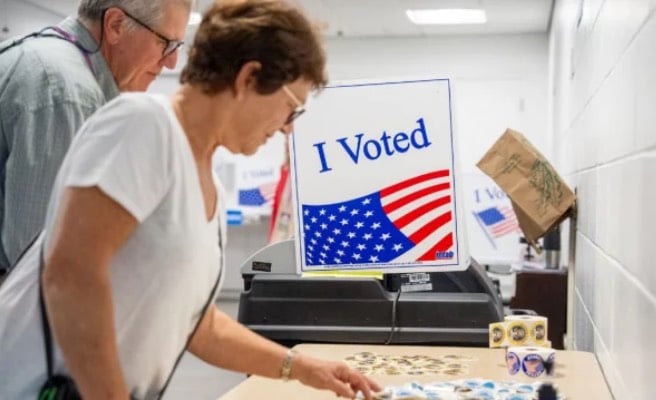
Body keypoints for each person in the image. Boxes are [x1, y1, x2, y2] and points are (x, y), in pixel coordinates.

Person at [0, 1, 382, 399]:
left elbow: (197, 325)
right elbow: (70, 275)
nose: (287, 129)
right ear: (249, 78)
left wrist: (301, 367)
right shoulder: (143, 124)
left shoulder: (206, 187)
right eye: (291, 108)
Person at [0, 0, 191, 279]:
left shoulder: (40, 56)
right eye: (166, 43)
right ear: (114, 25)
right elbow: (42, 265)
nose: (172, 61)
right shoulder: (67, 91)